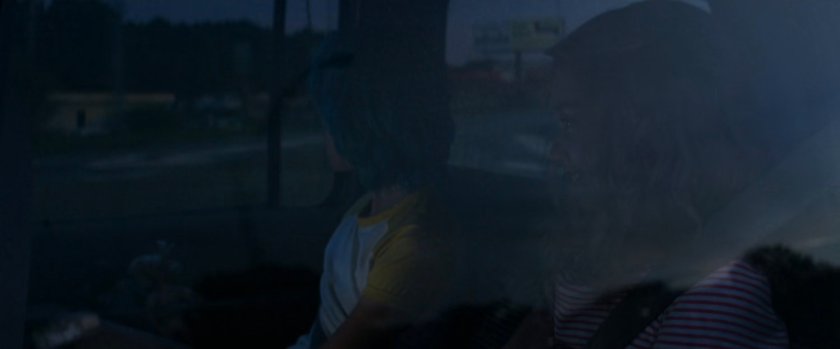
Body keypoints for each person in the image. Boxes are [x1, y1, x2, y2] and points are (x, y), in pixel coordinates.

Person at [505, 1, 794, 348]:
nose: (555, 152)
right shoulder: (590, 260)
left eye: (570, 123)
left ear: (639, 134)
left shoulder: (712, 298)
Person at [288, 33, 456, 349]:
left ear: (362, 125)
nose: (323, 133)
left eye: (328, 122)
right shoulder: (368, 206)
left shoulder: (412, 242)